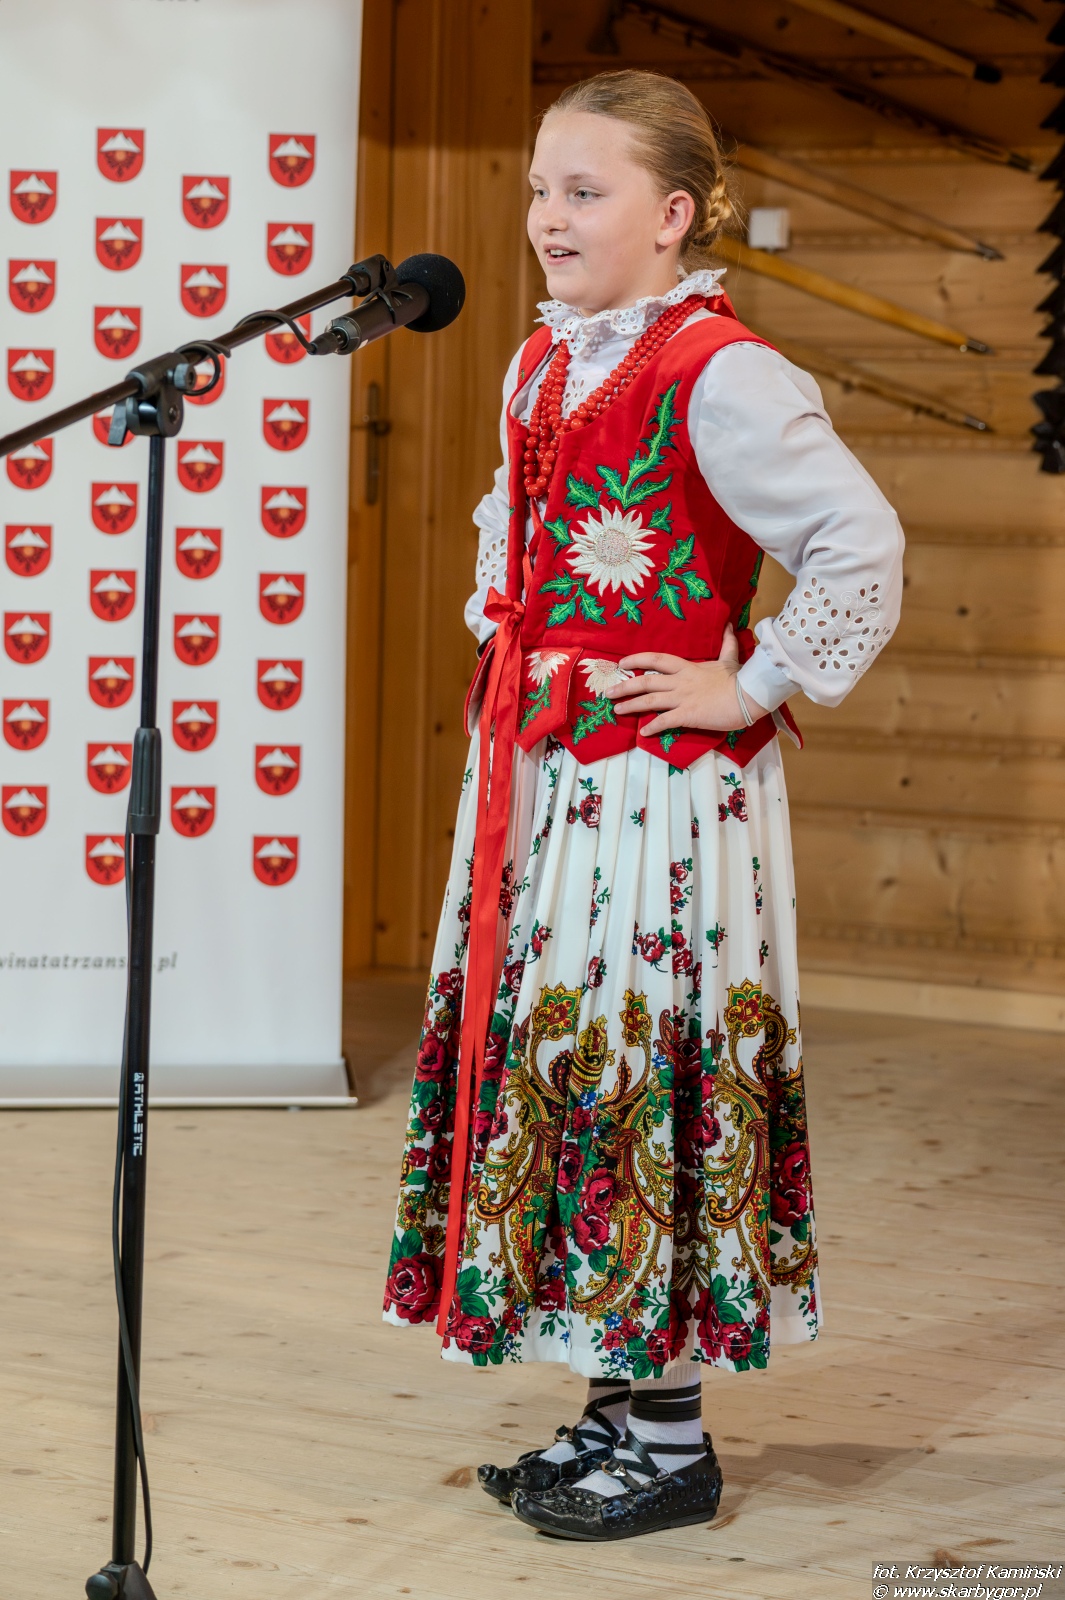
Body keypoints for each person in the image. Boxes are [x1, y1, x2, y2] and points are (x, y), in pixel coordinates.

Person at [382, 68, 904, 1541]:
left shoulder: (721, 370)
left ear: (673, 214)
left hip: (659, 794)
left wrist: (747, 685)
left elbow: (858, 543)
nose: (548, 216)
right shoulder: (542, 361)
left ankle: (670, 1442)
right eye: (538, 189)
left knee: (639, 1061)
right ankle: (615, 1404)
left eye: (584, 190)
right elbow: (514, 527)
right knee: (568, 1060)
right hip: (551, 771)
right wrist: (517, 646)